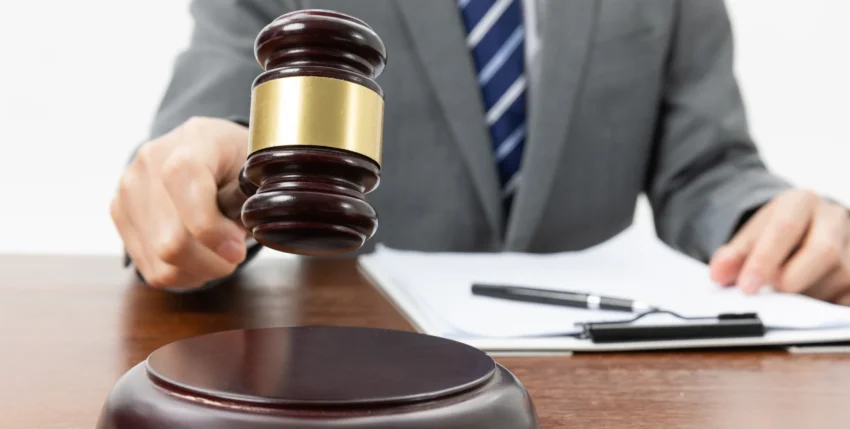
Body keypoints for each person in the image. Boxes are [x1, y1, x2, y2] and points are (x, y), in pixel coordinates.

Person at [110, 0, 850, 304]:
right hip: (350, 370)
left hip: (602, 382)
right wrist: (203, 186)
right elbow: (208, 128)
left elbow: (706, 168)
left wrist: (767, 221)